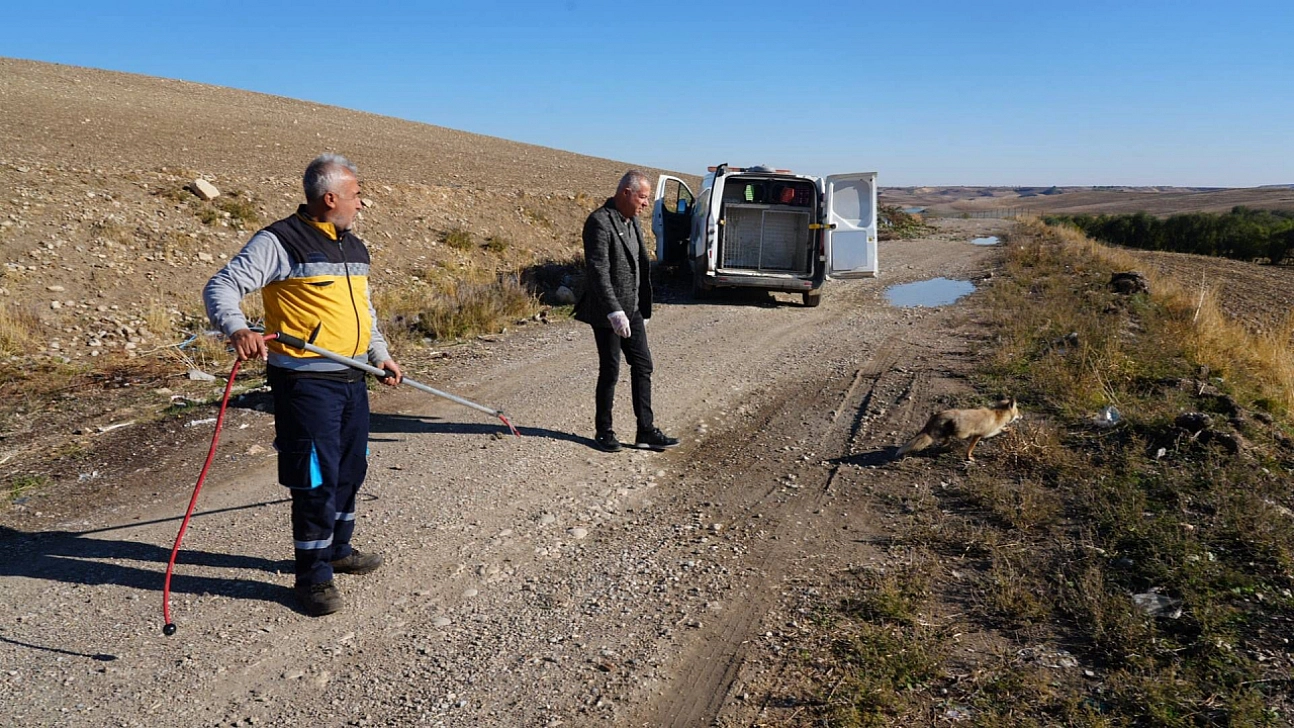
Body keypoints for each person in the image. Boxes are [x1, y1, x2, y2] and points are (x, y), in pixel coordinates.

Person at [203, 153, 403, 617]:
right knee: (315, 478)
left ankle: (338, 549)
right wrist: (237, 328)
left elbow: (364, 311)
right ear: (330, 198)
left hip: (354, 375)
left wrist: (379, 353)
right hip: (306, 382)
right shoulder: (280, 241)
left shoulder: (354, 247)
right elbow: (222, 287)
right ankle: (313, 576)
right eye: (356, 195)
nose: (361, 203)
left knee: (351, 468)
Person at [574, 170, 679, 453]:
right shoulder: (599, 222)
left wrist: (641, 306)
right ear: (626, 193)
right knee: (610, 370)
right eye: (642, 197)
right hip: (607, 312)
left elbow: (640, 265)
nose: (646, 203)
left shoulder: (632, 221)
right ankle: (604, 431)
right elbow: (598, 271)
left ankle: (646, 430)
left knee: (643, 365)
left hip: (632, 309)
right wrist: (613, 311)